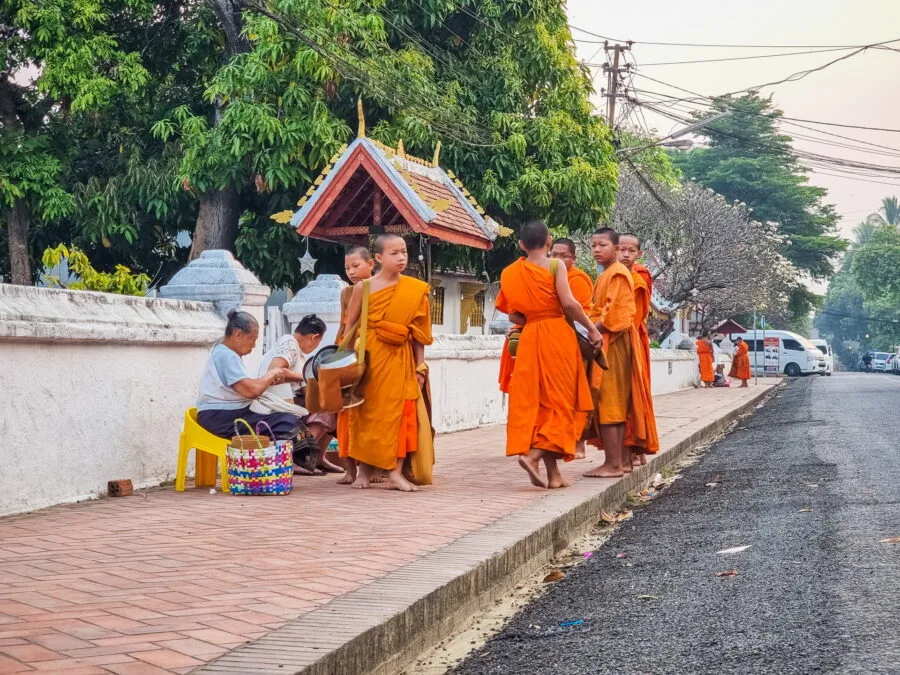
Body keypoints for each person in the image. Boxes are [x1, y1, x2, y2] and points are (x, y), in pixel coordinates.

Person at [497, 220, 602, 489]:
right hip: (557, 334)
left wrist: (532, 314)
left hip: (530, 337)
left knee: (540, 404)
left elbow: (511, 313)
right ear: (549, 242)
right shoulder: (555, 266)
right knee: (561, 402)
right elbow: (569, 303)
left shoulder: (510, 272)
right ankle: (534, 456)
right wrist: (592, 330)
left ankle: (554, 475)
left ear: (521, 244)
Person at [343, 234, 434, 492]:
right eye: (394, 253)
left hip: (401, 360)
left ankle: (395, 472)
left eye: (403, 252)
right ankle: (364, 471)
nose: (401, 257)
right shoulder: (364, 288)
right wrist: (346, 366)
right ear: (379, 258)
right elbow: (350, 328)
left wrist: (420, 367)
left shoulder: (416, 290)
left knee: (402, 416)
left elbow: (419, 335)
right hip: (370, 360)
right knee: (365, 414)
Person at [584, 228, 657, 478]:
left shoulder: (618, 274)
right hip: (607, 339)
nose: (596, 250)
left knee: (611, 401)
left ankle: (614, 464)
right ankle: (619, 461)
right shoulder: (608, 275)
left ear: (613, 248)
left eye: (601, 245)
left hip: (614, 342)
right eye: (593, 245)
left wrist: (589, 330)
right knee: (608, 401)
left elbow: (619, 315)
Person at [196, 310, 301, 442]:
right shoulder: (226, 355)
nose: (254, 345)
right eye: (252, 340)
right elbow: (251, 391)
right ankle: (272, 461)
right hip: (219, 417)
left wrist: (268, 380)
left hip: (223, 414)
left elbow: (247, 386)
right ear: (238, 334)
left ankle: (273, 459)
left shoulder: (223, 351)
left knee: (285, 418)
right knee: (286, 423)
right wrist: (273, 373)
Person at [253, 314, 339, 475]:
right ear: (315, 337)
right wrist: (309, 376)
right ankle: (297, 457)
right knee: (326, 413)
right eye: (317, 343)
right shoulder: (289, 343)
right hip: (274, 403)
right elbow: (275, 370)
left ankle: (318, 457)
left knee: (332, 406)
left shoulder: (300, 355)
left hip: (291, 400)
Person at [331, 247, 376, 484]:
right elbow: (343, 325)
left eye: (356, 266)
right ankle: (350, 470)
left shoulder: (381, 288)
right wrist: (335, 353)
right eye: (347, 267)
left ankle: (374, 468)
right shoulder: (347, 293)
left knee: (370, 414)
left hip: (373, 354)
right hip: (349, 353)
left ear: (372, 264)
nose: (351, 272)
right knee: (345, 414)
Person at [617, 233, 659, 467]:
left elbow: (634, 312)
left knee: (635, 391)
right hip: (616, 336)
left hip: (632, 336)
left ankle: (637, 446)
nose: (625, 254)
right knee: (620, 394)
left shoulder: (639, 275)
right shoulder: (612, 274)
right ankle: (629, 449)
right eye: (621, 249)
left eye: (630, 250)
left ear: (639, 254)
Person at [550, 237, 594, 459]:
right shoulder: (546, 276)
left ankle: (579, 443)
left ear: (573, 259)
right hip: (552, 340)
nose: (557, 259)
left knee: (578, 393)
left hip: (576, 339)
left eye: (563, 256)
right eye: (553, 255)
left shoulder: (577, 279)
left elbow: (579, 311)